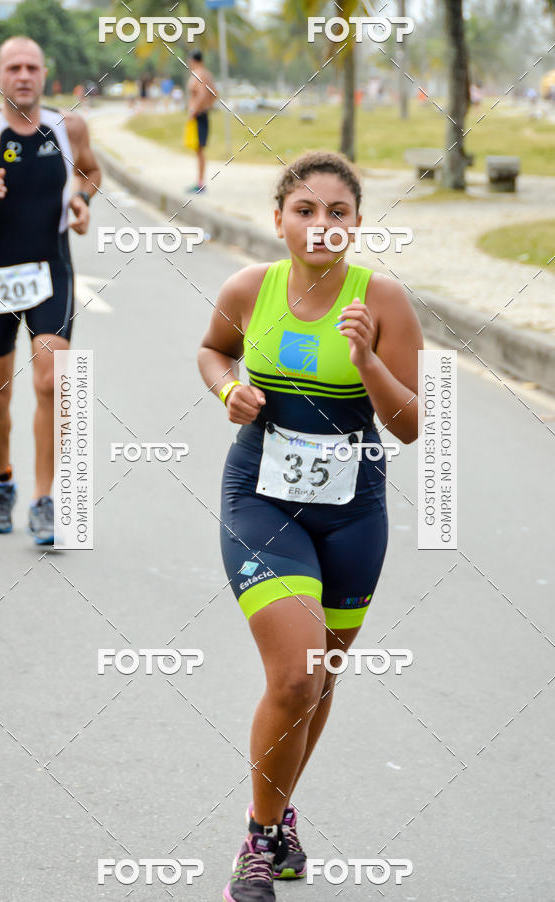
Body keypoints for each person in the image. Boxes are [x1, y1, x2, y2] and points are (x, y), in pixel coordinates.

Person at [198, 150, 423, 901]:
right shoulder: (248, 287)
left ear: (356, 226)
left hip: (354, 510)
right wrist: (228, 387)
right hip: (260, 497)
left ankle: (279, 817)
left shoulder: (383, 301)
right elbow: (212, 351)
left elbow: (412, 425)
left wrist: (365, 359)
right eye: (306, 211)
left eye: (338, 213)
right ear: (279, 220)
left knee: (318, 683)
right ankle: (258, 844)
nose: (321, 226)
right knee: (294, 673)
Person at [0, 35, 101, 543]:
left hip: (51, 271)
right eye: (13, 67)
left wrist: (81, 199)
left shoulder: (70, 125)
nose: (23, 75)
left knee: (51, 381)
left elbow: (91, 170)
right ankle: (3, 481)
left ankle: (44, 498)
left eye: (32, 67)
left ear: (44, 74)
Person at [185, 50, 217, 193]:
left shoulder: (199, 74)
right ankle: (199, 181)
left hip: (199, 115)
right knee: (198, 150)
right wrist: (208, 106)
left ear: (193, 60)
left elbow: (203, 93)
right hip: (202, 114)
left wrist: (195, 109)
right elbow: (214, 93)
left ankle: (200, 183)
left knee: (199, 150)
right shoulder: (207, 74)